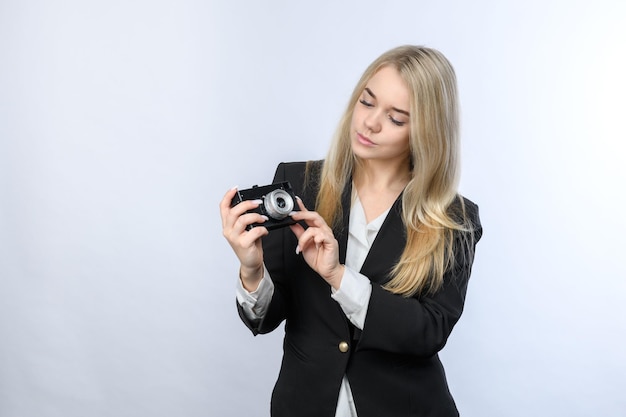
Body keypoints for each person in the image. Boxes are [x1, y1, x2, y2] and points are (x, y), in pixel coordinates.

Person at [219, 45, 482, 417]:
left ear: (426, 132)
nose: (370, 123)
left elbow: (429, 332)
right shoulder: (298, 184)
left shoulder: (455, 220)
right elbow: (264, 319)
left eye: (396, 118)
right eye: (367, 101)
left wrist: (338, 276)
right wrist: (251, 270)